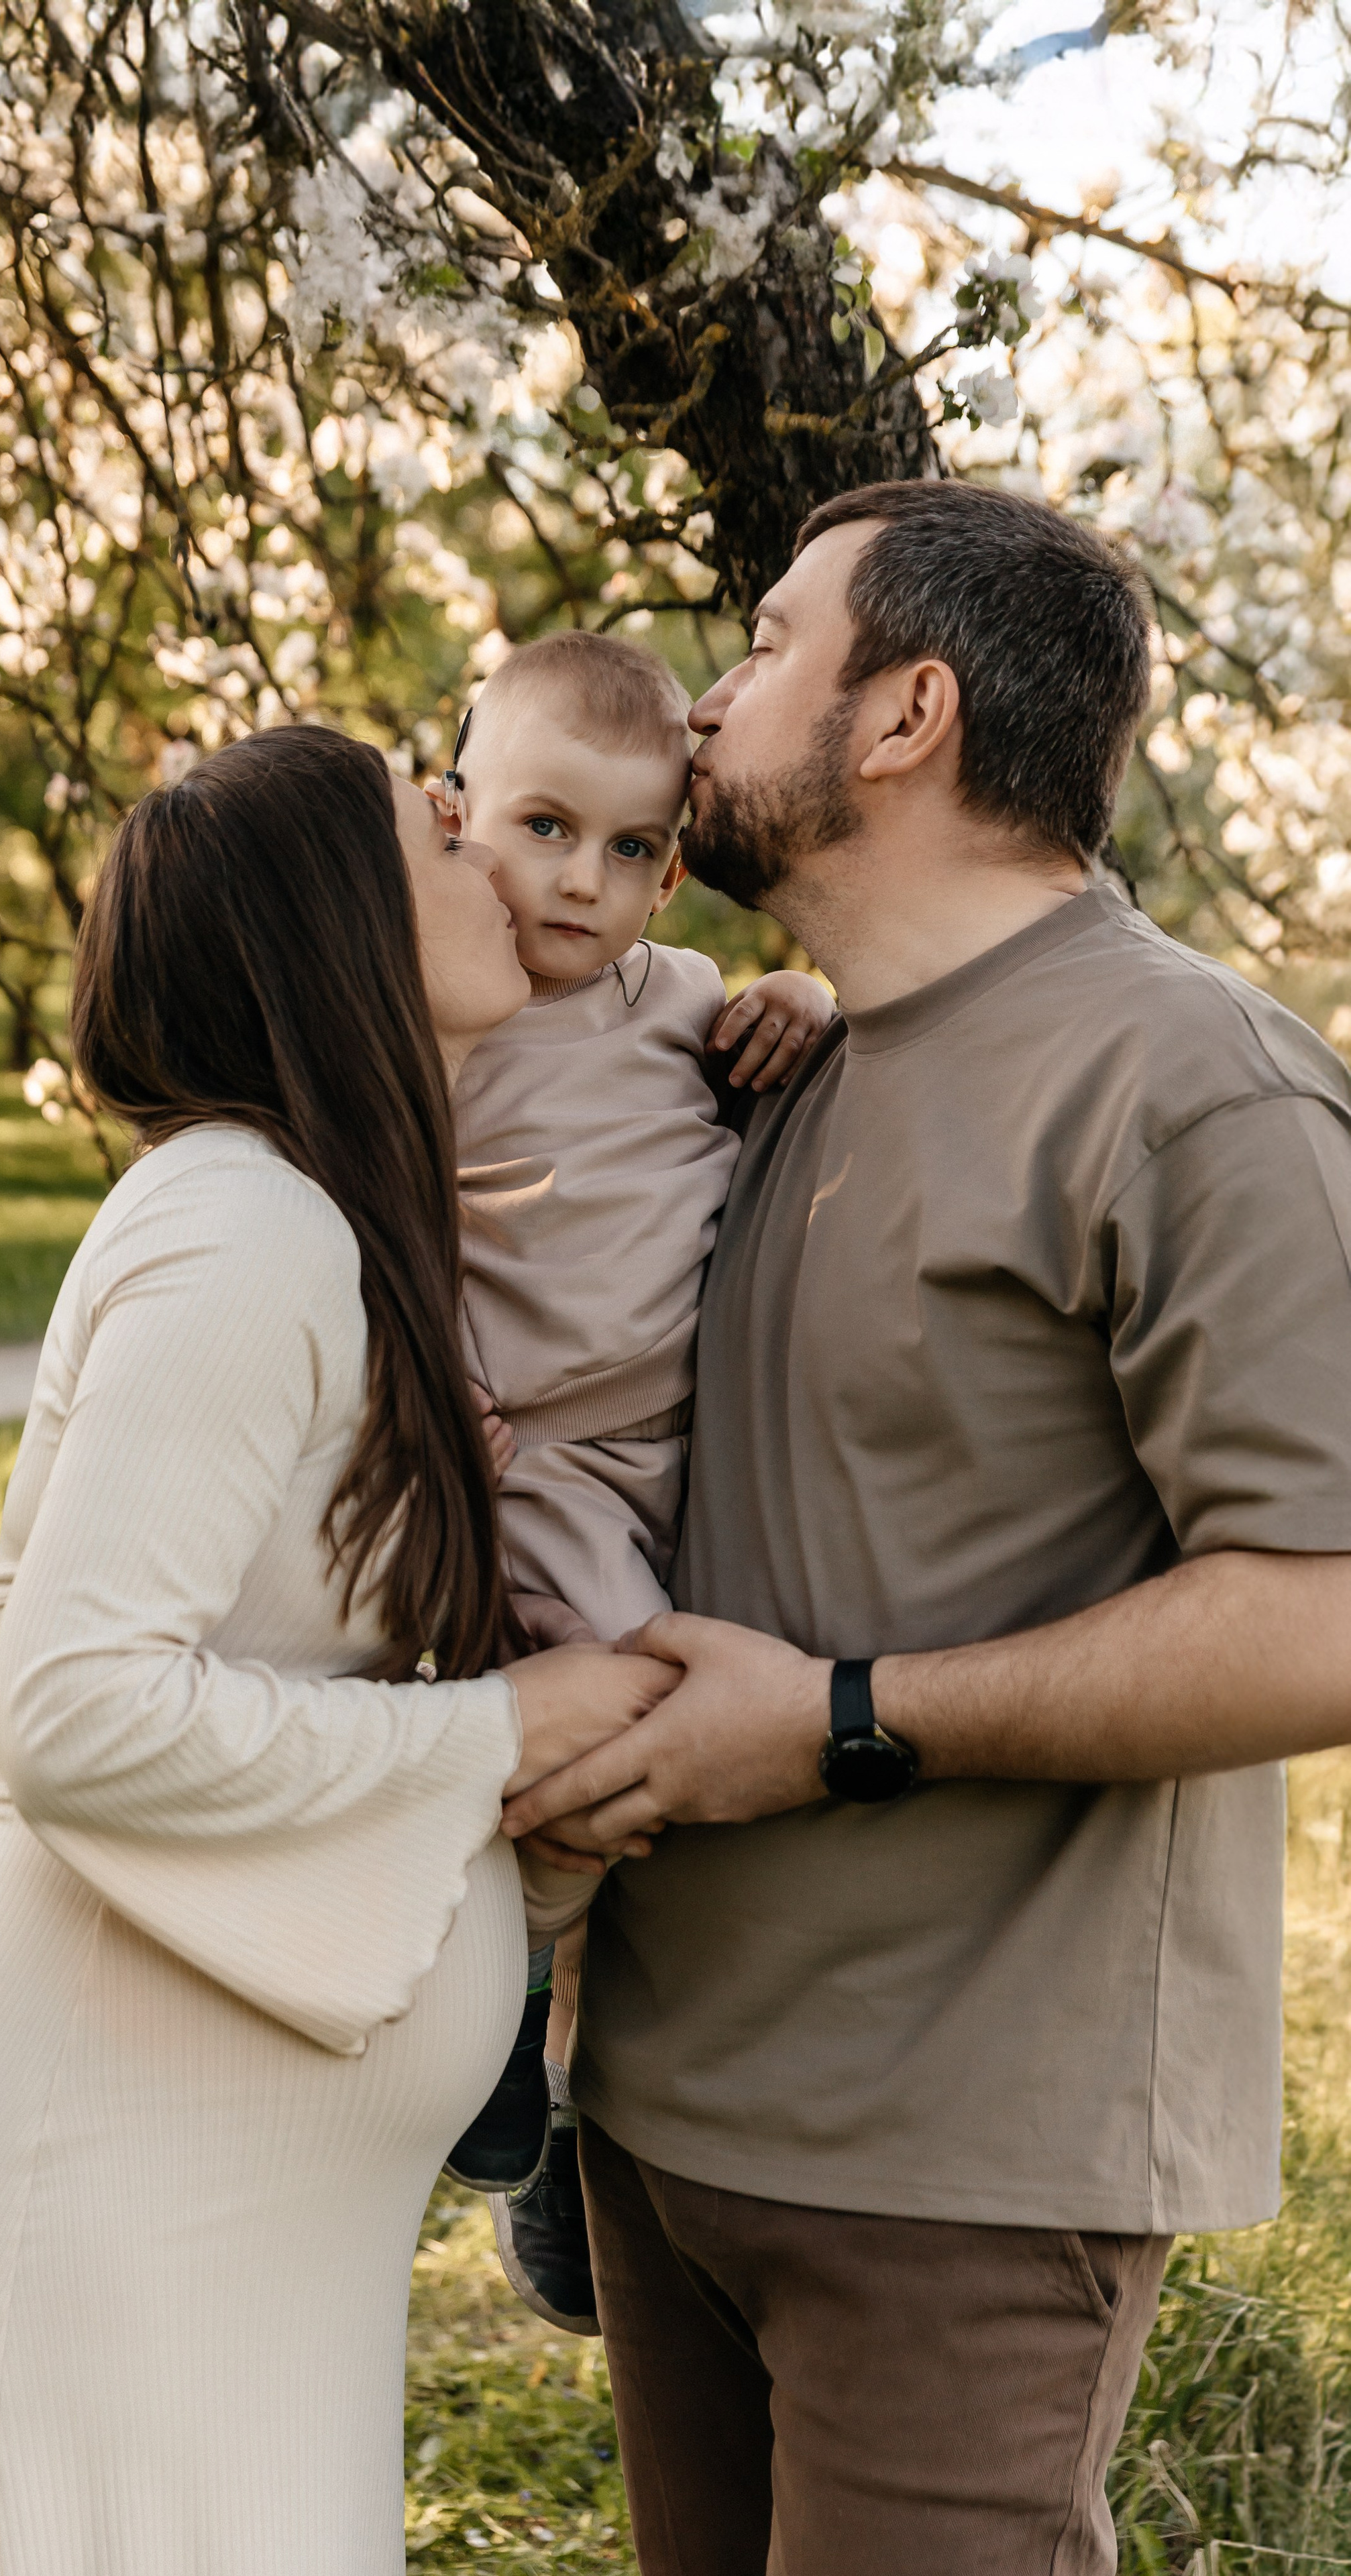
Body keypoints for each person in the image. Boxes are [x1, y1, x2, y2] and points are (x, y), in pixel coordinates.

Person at [504, 480, 1351, 2575]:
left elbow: (1327, 1612)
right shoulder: (765, 1062)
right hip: (665, 2108)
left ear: (906, 715)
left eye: (771, 643)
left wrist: (844, 1719)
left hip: (964, 2159)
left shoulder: (1199, 1087)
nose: (708, 700)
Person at [0, 726, 679, 2576]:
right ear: (336, 923)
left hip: (201, 2248)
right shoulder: (246, 1230)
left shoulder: (335, 1236)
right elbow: (72, 1708)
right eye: (439, 837)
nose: (491, 858)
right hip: (82, 2228)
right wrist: (503, 1731)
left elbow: (239, 1667)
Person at [433, 629, 834, 2335]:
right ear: (457, 818)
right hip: (522, 1455)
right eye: (538, 828)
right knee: (605, 1724)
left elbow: (799, 1039)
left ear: (672, 868)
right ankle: (506, 2025)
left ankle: (559, 2056)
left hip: (661, 1449)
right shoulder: (436, 1005)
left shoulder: (679, 1004)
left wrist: (805, 998)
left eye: (624, 850)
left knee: (638, 1743)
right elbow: (361, 1186)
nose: (577, 883)